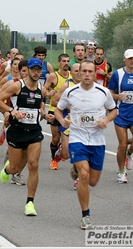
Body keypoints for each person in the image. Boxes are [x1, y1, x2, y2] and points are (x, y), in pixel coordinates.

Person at [55, 60, 117, 230]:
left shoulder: (103, 92)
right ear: (79, 73)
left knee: (93, 181)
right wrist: (62, 120)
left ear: (95, 73)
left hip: (97, 140)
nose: (88, 74)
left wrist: (106, 120)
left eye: (91, 71)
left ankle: (75, 168)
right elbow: (58, 109)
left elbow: (114, 110)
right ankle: (85, 216)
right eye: (85, 71)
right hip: (77, 137)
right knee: (84, 175)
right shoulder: (70, 92)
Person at [0, 58, 54, 216]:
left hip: (34, 131)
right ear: (27, 69)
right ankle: (8, 169)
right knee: (15, 168)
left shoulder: (41, 89)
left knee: (33, 165)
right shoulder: (17, 86)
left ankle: (30, 203)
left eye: (39, 69)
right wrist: (11, 110)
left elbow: (39, 109)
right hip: (17, 130)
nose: (36, 72)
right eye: (33, 69)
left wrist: (45, 116)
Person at [108, 49, 133, 183]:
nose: (132, 61)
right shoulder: (117, 74)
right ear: (124, 59)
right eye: (129, 58)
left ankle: (129, 154)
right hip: (121, 115)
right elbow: (109, 92)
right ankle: (121, 172)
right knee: (122, 144)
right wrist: (117, 96)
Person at [51, 63, 81, 189]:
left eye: (82, 70)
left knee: (80, 152)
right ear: (71, 72)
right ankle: (60, 152)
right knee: (66, 154)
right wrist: (70, 106)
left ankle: (79, 178)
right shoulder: (67, 85)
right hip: (68, 122)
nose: (79, 73)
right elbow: (54, 101)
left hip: (82, 125)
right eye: (76, 71)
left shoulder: (89, 86)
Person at [43, 54, 72, 170]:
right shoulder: (53, 76)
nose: (66, 63)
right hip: (54, 110)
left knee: (67, 136)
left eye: (68, 61)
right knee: (55, 138)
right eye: (63, 61)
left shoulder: (72, 76)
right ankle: (53, 159)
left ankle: (62, 152)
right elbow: (44, 89)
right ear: (59, 63)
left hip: (68, 112)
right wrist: (48, 94)